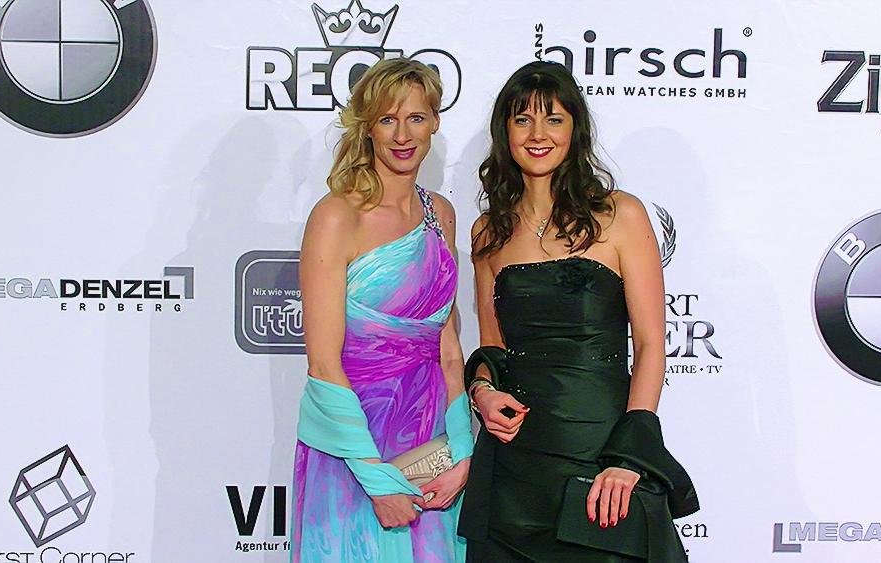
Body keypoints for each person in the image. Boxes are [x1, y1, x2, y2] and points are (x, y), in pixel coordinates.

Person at [458, 61, 699, 562]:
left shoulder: (620, 215)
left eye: (554, 119)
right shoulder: (488, 232)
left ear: (575, 129)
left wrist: (631, 456)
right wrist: (482, 393)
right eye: (523, 119)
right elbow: (492, 348)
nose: (538, 134)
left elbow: (650, 345)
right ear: (505, 132)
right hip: (515, 467)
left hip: (601, 458)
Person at [291, 58, 473, 562]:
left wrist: (463, 451)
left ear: (435, 122)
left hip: (430, 442)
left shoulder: (441, 214)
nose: (402, 135)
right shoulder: (337, 216)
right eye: (387, 119)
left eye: (416, 117)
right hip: (354, 446)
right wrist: (375, 479)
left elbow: (447, 346)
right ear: (367, 126)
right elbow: (323, 363)